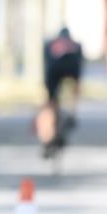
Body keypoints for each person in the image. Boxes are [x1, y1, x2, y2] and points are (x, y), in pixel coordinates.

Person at [37, 27, 83, 156]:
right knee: (75, 88)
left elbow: (46, 66)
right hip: (72, 68)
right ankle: (73, 113)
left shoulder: (50, 45)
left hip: (53, 70)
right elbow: (79, 68)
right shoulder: (76, 45)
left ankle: (46, 139)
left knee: (49, 104)